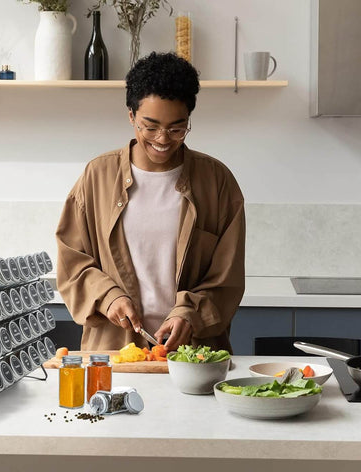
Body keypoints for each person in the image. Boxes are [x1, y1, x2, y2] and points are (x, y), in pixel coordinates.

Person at [56, 52, 245, 352]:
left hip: (194, 356)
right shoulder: (97, 176)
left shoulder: (217, 182)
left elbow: (227, 280)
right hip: (115, 353)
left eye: (176, 128)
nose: (163, 138)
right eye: (150, 126)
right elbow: (72, 264)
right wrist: (108, 296)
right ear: (131, 116)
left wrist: (189, 313)